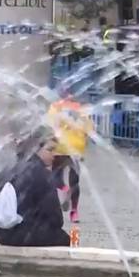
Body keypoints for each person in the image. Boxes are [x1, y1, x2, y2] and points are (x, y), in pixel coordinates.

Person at [0, 129, 70, 247]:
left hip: (1, 233)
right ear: (36, 149)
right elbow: (56, 218)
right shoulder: (42, 174)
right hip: (24, 236)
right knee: (65, 238)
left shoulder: (11, 167)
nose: (54, 154)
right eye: (50, 150)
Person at [47, 95, 93, 224]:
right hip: (77, 148)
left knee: (55, 176)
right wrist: (83, 150)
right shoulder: (83, 109)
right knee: (75, 181)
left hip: (60, 147)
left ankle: (64, 190)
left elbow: (52, 127)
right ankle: (74, 212)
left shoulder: (56, 107)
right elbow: (87, 131)